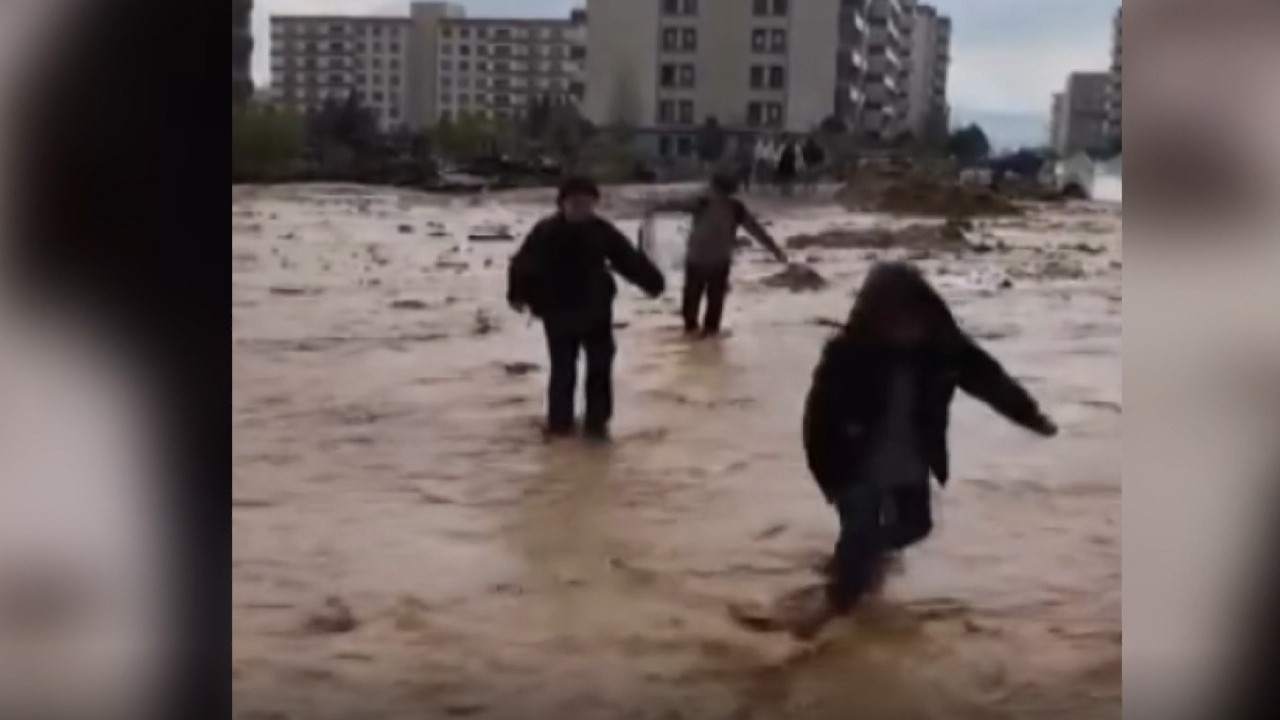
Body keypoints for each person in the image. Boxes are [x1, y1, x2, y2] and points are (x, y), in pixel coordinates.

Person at [772, 262, 1059, 639]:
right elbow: (817, 419)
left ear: (928, 312)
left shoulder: (944, 349)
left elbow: (991, 381)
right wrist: (830, 476)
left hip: (910, 457)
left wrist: (1030, 415)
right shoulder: (847, 355)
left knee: (915, 526)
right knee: (859, 531)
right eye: (892, 318)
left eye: (911, 316)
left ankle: (854, 562)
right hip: (852, 460)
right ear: (872, 318)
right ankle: (828, 615)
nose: (904, 327)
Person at [507, 176, 665, 442]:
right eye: (576, 203)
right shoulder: (545, 232)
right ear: (562, 204)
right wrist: (517, 295)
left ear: (595, 204)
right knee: (562, 371)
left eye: (588, 203)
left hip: (596, 314)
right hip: (558, 314)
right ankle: (560, 426)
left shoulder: (602, 231)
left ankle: (596, 426)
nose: (582, 208)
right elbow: (521, 265)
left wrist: (652, 283)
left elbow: (627, 259)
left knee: (600, 369)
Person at [644, 172, 790, 337]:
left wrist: (655, 207)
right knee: (714, 302)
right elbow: (756, 231)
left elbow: (675, 205)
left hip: (698, 260)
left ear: (714, 188)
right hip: (718, 261)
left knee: (693, 302)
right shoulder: (734, 208)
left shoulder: (704, 202)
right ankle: (708, 337)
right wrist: (775, 251)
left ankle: (693, 335)